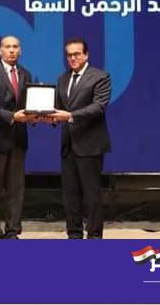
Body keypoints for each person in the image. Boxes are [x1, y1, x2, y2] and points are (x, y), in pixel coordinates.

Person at [51, 38, 112, 239]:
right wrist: (48, 117)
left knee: (91, 195)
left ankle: (94, 236)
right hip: (68, 145)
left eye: (77, 54)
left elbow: (98, 107)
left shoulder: (100, 76)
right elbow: (59, 108)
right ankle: (74, 235)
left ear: (86, 55)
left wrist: (69, 116)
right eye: (69, 55)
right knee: (70, 195)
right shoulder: (62, 78)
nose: (73, 58)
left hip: (90, 144)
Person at [0, 36, 34, 239]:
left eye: (15, 47)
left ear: (20, 50)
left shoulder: (25, 74)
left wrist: (36, 114)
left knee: (16, 190)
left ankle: (12, 231)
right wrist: (12, 117)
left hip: (18, 139)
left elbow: (28, 104)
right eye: (7, 47)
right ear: (0, 51)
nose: (12, 50)